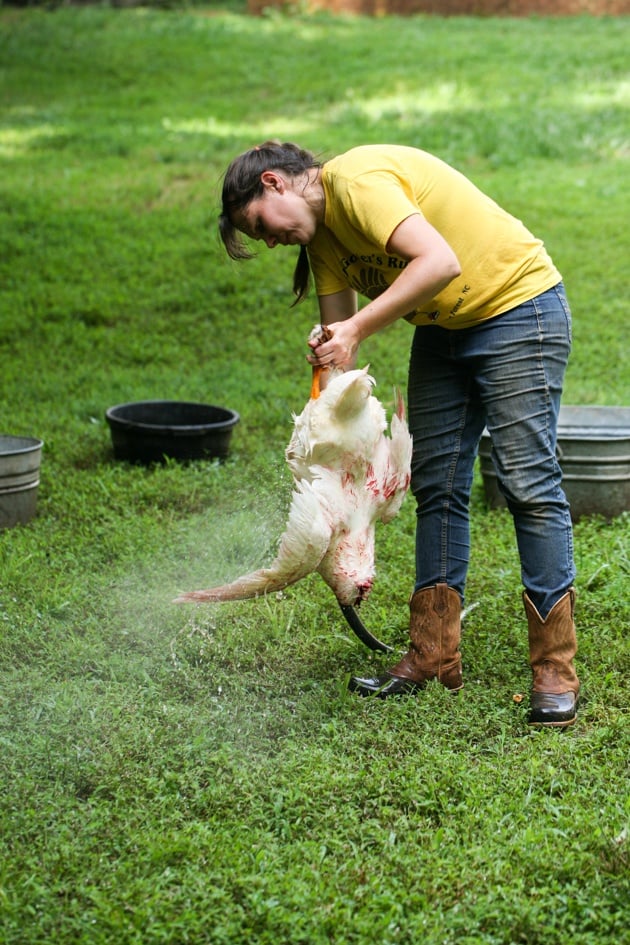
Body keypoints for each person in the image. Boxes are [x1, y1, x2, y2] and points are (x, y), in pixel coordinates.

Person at [218, 140, 580, 728]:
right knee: (434, 484)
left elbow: (438, 263)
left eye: (259, 226)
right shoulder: (324, 240)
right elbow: (341, 342)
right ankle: (434, 654)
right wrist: (327, 397)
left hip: (519, 308)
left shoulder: (356, 183)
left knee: (527, 484)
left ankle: (554, 668)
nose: (269, 241)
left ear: (273, 183)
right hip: (445, 329)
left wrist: (355, 328)